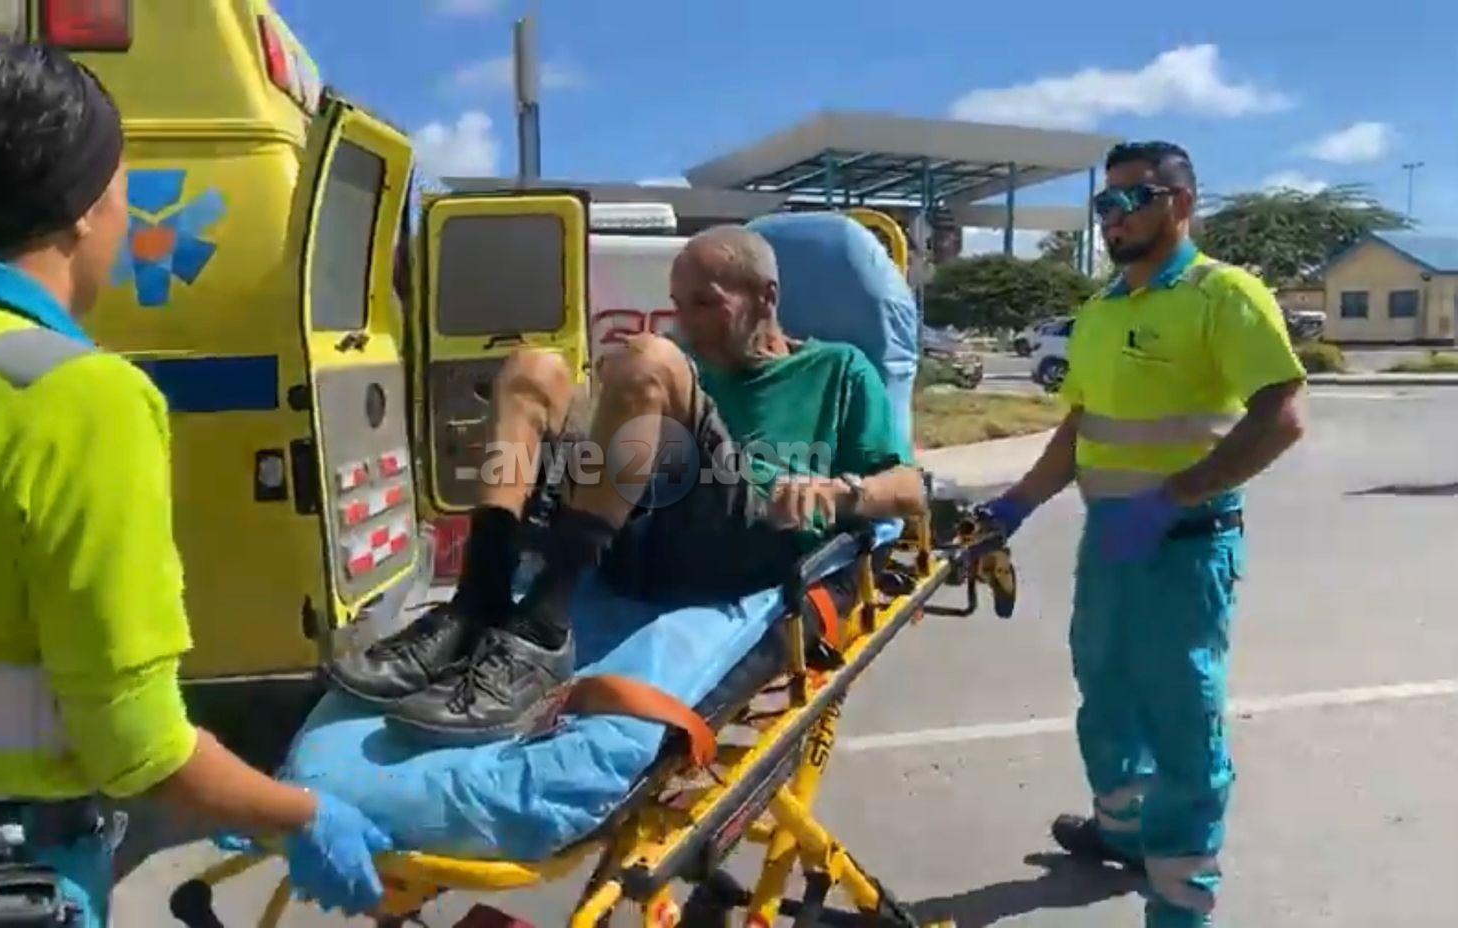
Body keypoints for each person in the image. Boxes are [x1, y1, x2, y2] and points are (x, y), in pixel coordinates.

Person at [0, 31, 391, 924]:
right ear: (82, 208)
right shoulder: (79, 397)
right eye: (123, 182)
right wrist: (296, 815)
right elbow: (137, 745)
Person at [359, 224, 927, 740]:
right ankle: (476, 600)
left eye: (706, 304)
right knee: (532, 370)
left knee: (650, 359)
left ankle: (544, 629)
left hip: (745, 537)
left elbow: (910, 489)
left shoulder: (838, 369)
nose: (688, 323)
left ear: (766, 297)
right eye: (679, 305)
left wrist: (840, 493)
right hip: (647, 530)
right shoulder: (689, 364)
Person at [978, 141, 1306, 927]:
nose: (1113, 217)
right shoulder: (1101, 311)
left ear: (1182, 203)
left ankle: (1181, 903)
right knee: (1106, 688)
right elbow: (1081, 426)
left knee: (1182, 719)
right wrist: (1013, 506)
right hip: (1113, 537)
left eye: (1133, 198)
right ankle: (1125, 832)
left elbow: (1282, 416)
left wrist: (1180, 494)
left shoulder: (1222, 295)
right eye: (1105, 203)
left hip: (1185, 541)